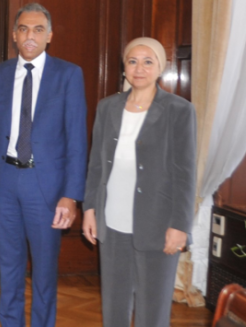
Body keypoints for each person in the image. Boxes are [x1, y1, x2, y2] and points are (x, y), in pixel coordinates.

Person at [0, 2, 87, 327]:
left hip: (46, 188)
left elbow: (77, 141)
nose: (30, 36)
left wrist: (71, 195)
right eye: (23, 29)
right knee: (8, 267)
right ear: (14, 34)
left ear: (49, 35)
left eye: (38, 29)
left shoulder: (68, 74)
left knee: (44, 271)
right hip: (5, 183)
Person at [83, 37, 196, 327]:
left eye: (148, 62)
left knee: (152, 312)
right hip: (113, 222)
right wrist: (90, 209)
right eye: (132, 61)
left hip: (159, 224)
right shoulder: (108, 107)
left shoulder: (179, 110)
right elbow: (96, 165)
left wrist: (180, 226)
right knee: (114, 307)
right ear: (124, 67)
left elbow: (185, 173)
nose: (140, 68)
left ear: (160, 68)